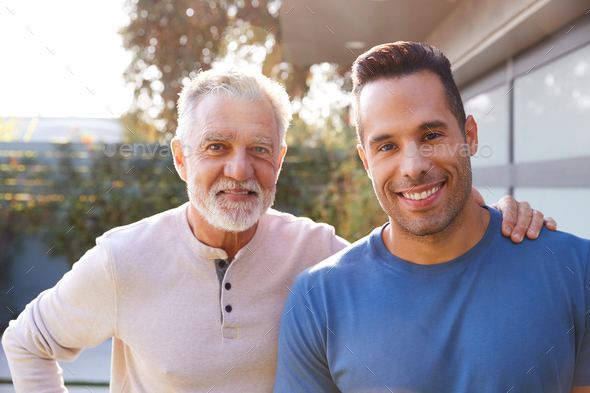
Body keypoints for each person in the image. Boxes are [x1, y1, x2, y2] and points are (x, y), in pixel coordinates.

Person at [2, 69, 553, 392]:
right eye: (216, 147)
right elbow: (27, 343)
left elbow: (412, 260)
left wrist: (493, 220)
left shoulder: (316, 252)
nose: (239, 170)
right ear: (180, 159)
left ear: (280, 160)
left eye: (259, 150)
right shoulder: (123, 261)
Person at [273, 42, 590, 393]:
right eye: (387, 146)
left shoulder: (575, 270)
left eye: (432, 135)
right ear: (366, 161)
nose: (414, 166)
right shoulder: (318, 301)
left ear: (469, 136)